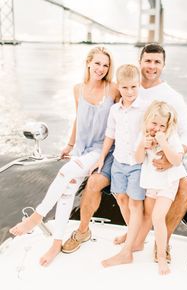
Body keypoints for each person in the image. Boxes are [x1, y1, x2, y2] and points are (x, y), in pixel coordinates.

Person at [62, 43, 187, 261]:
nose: (151, 66)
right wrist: (74, 145)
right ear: (139, 61)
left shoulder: (172, 96)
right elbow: (100, 115)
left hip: (159, 152)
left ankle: (163, 242)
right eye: (148, 61)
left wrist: (173, 159)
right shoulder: (122, 85)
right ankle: (83, 231)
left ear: (163, 65)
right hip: (121, 153)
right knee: (95, 182)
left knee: (186, 184)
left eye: (157, 62)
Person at [9, 46, 120, 266]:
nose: (101, 68)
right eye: (97, 63)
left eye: (105, 65)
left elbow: (122, 119)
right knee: (67, 191)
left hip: (100, 150)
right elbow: (78, 119)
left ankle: (37, 217)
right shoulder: (77, 89)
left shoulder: (113, 89)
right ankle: (56, 243)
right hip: (81, 148)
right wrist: (70, 144)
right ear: (88, 62)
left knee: (65, 172)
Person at [96, 64, 146, 267]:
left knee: (135, 204)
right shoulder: (115, 110)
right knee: (122, 199)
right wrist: (101, 158)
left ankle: (128, 252)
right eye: (125, 88)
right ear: (119, 87)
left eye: (134, 87)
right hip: (118, 161)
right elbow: (110, 133)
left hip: (137, 164)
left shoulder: (145, 108)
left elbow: (150, 133)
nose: (130, 92)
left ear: (139, 84)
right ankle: (131, 234)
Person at [135, 100, 187, 274]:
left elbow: (177, 160)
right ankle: (139, 242)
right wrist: (143, 145)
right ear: (147, 121)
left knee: (158, 217)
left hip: (168, 183)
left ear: (168, 126)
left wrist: (164, 143)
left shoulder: (171, 137)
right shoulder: (144, 135)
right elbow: (139, 159)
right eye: (154, 123)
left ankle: (162, 257)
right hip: (152, 183)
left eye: (162, 125)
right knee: (148, 215)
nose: (157, 128)